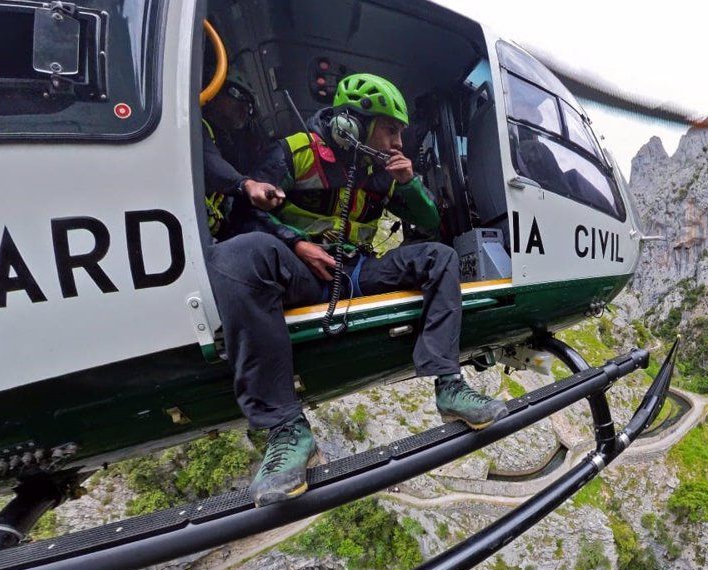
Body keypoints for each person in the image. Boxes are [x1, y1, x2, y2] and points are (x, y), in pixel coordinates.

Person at [207, 73, 508, 506]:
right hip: (304, 270)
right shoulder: (296, 152)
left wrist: (409, 184)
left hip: (359, 269)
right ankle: (287, 430)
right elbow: (242, 213)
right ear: (353, 123)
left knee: (438, 256)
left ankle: (449, 385)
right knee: (235, 256)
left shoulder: (383, 172)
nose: (399, 141)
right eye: (391, 129)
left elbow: (427, 224)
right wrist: (297, 243)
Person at [201, 72, 274, 238]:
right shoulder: (195, 129)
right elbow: (208, 163)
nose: (243, 107)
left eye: (249, 105)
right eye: (237, 94)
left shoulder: (235, 147)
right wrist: (246, 185)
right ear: (214, 91)